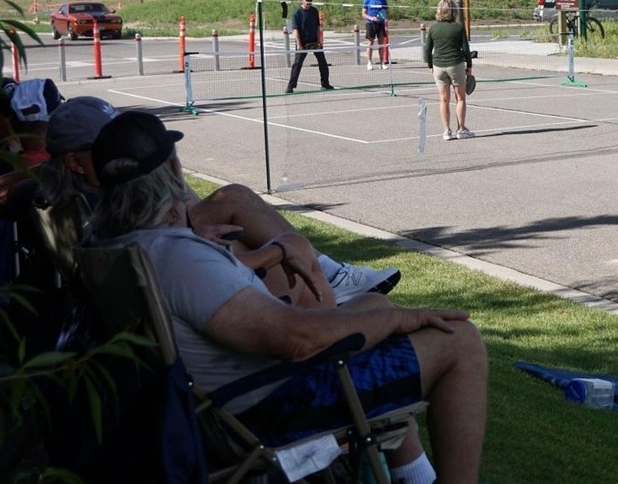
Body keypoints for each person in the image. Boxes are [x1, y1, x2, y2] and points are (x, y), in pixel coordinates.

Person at [89, 111, 488, 483]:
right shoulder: (177, 256)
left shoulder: (111, 248)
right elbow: (293, 340)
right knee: (458, 340)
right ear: (174, 171)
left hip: (223, 403)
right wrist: (398, 321)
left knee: (374, 307)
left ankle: (417, 476)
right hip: (265, 409)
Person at [39, 96, 399, 306]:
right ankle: (328, 280)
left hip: (171, 279)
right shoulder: (104, 207)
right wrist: (272, 252)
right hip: (185, 292)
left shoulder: (83, 202)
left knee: (236, 226)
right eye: (107, 143)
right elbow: (161, 263)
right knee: (236, 201)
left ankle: (329, 279)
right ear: (73, 161)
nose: (122, 145)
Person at [423, 0, 474, 141]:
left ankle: (446, 131)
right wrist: (469, 66)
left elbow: (427, 49)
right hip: (455, 64)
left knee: (443, 100)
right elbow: (465, 48)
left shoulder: (433, 28)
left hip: (438, 66)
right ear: (453, 11)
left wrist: (429, 65)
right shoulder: (458, 27)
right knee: (460, 98)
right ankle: (461, 129)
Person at [285, 0, 332, 93]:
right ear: (302, 0)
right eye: (307, 0)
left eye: (310, 0)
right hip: (303, 43)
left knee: (323, 63)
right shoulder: (297, 14)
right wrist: (299, 44)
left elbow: (317, 27)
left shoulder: (314, 11)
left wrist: (320, 41)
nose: (309, 2)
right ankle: (291, 86)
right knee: (297, 64)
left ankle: (325, 84)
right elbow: (296, 30)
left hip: (314, 42)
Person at [362, 0, 389, 70]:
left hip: (380, 24)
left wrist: (382, 17)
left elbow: (387, 12)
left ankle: (382, 63)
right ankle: (369, 62)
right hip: (370, 24)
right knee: (370, 43)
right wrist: (371, 18)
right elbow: (363, 14)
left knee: (381, 43)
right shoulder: (367, 0)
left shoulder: (383, 0)